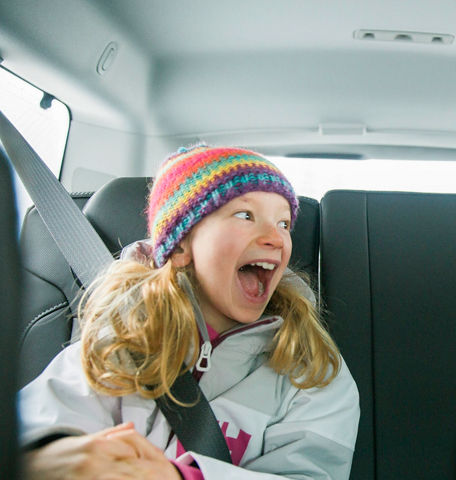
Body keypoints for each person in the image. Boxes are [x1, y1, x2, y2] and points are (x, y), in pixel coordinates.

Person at [19, 145, 360, 479]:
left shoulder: (310, 368)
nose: (276, 238)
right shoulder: (118, 341)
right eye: (245, 216)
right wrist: (52, 457)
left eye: (284, 223)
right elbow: (35, 428)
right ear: (181, 245)